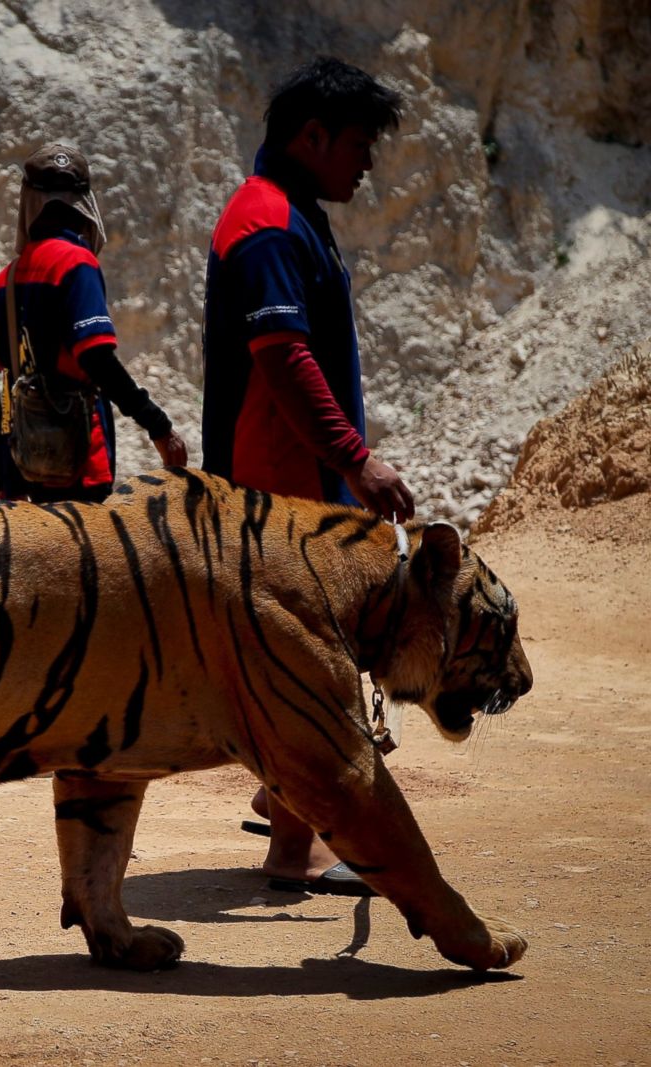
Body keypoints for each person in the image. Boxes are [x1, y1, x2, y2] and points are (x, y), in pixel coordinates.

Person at [201, 56, 416, 894]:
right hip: (274, 497)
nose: (366, 163)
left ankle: (286, 814)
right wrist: (357, 461)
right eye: (358, 144)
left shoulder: (293, 216)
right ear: (311, 136)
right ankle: (293, 848)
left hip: (290, 490)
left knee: (304, 669)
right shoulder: (265, 222)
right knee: (306, 670)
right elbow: (282, 356)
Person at [0, 143, 188, 503]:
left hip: (24, 474)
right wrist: (159, 426)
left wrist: (1, 471)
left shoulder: (5, 280)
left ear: (29, 203)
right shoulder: (77, 263)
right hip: (81, 471)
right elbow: (96, 359)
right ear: (85, 204)